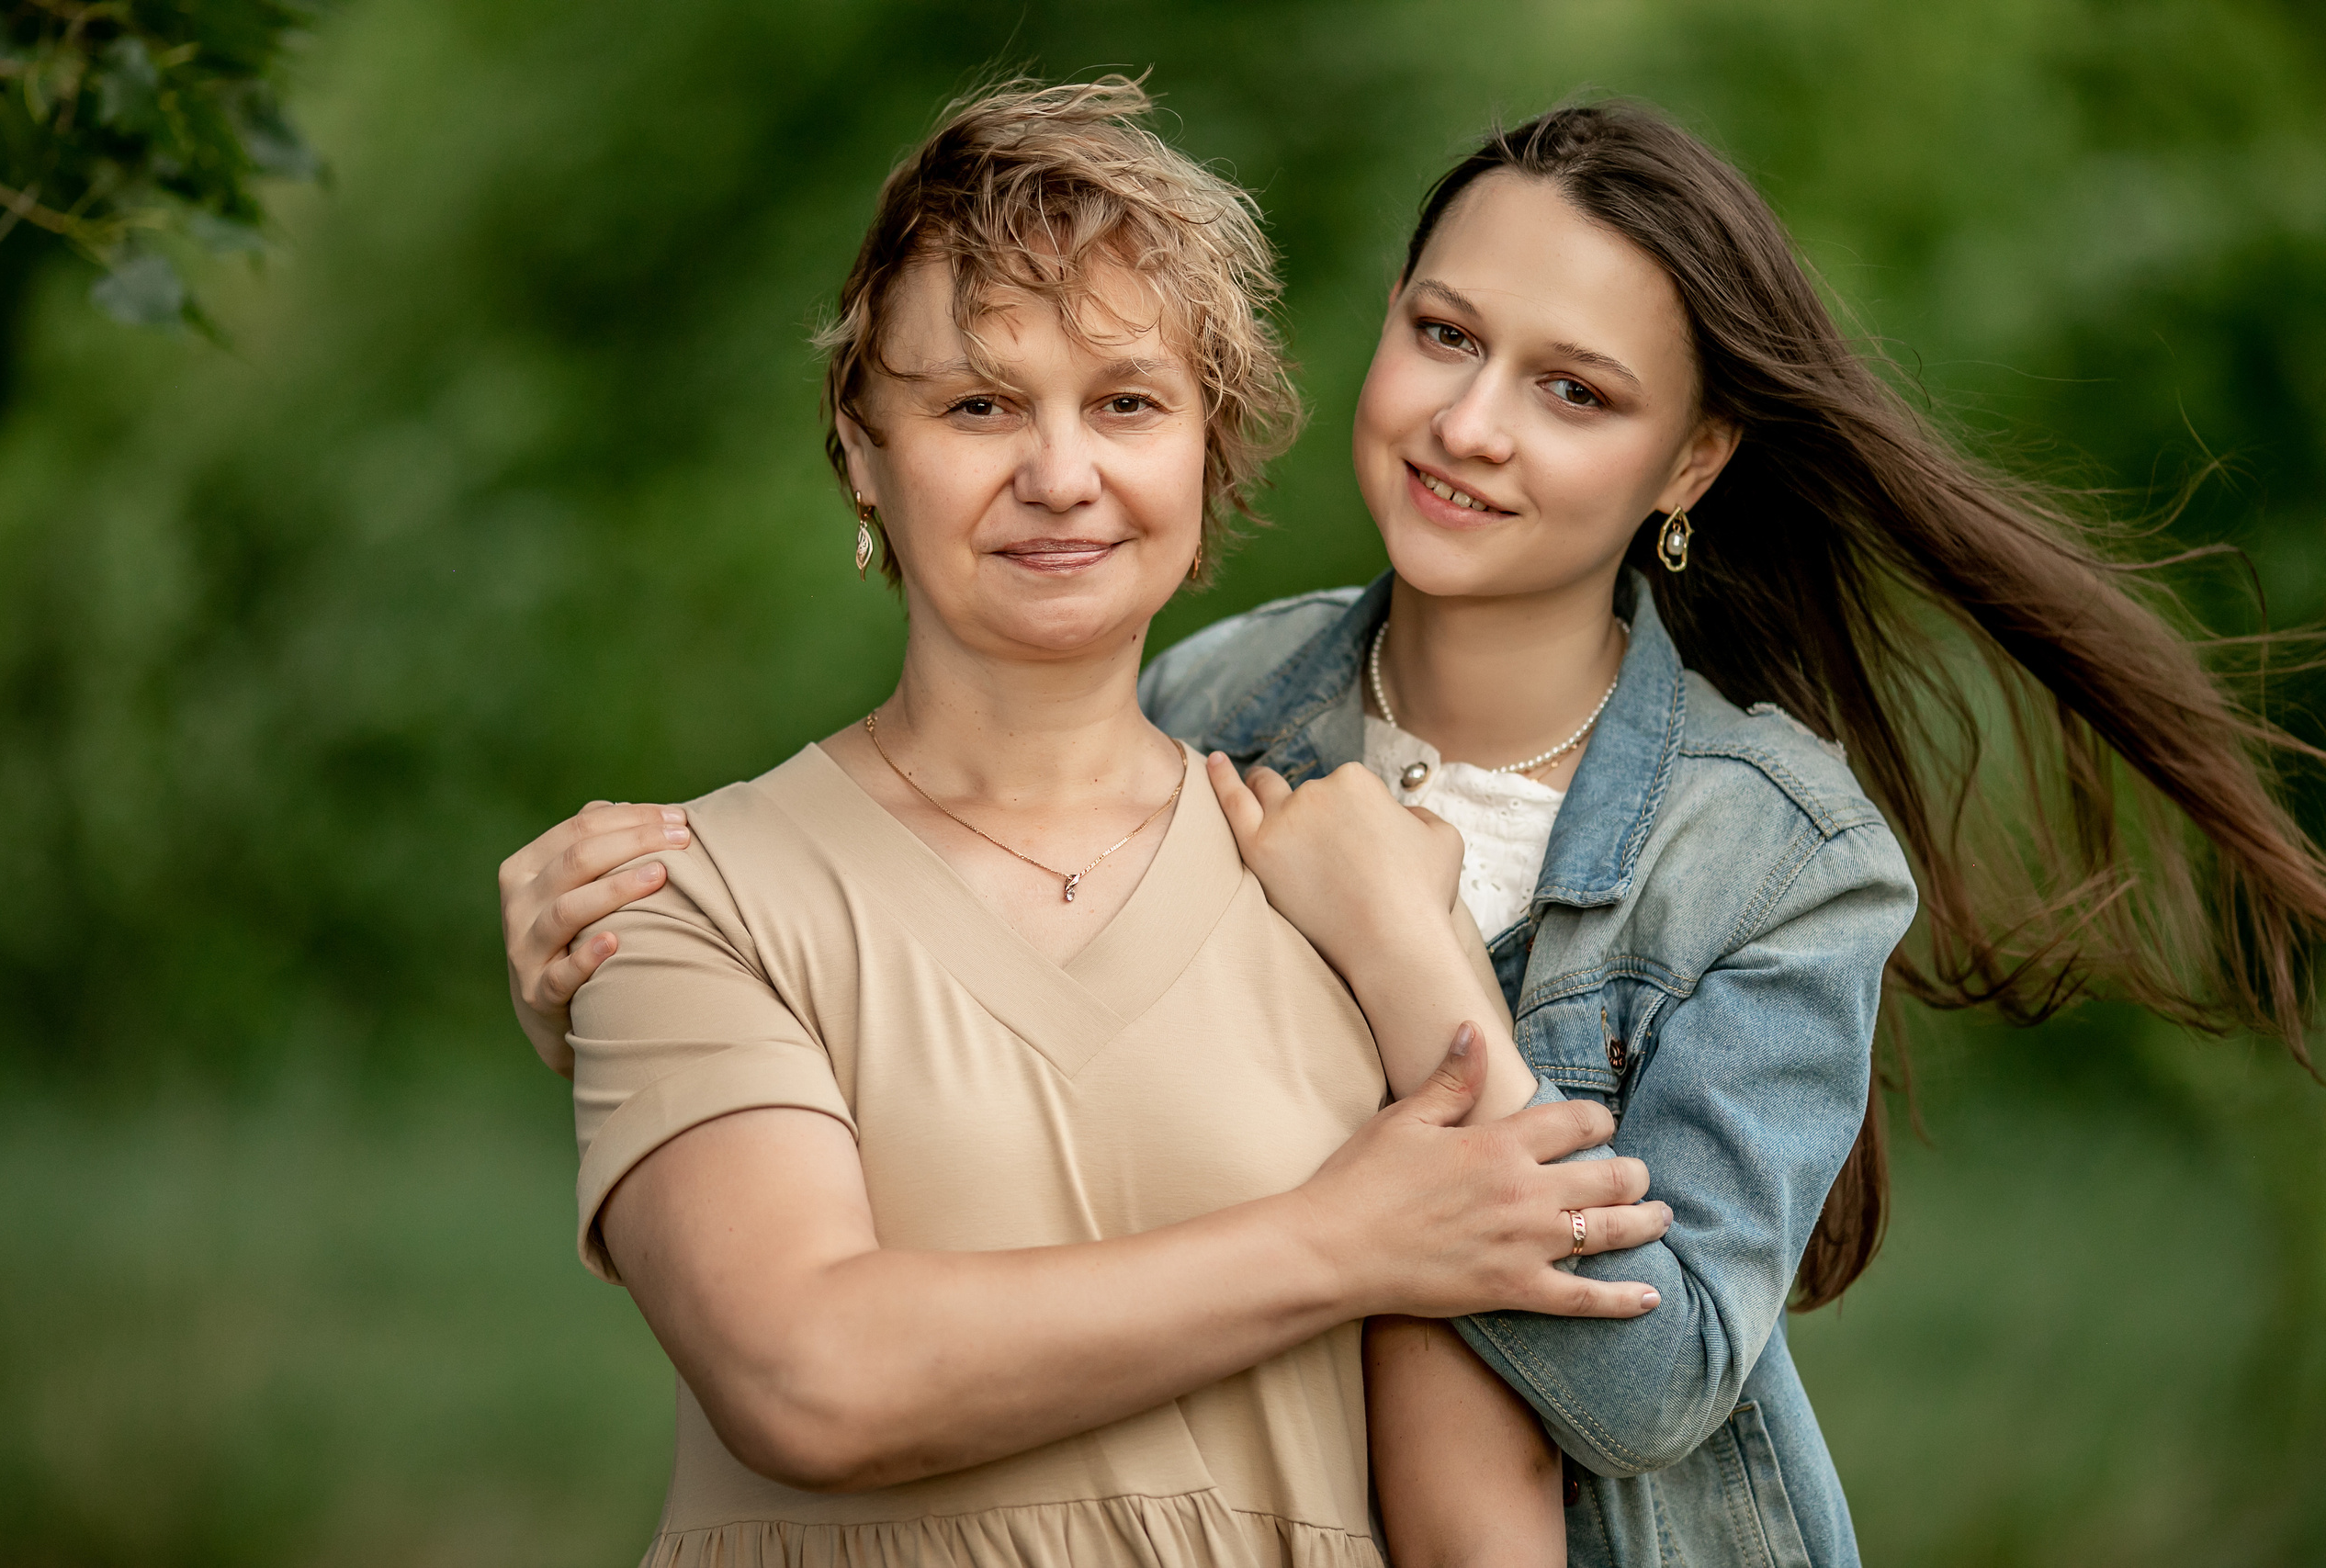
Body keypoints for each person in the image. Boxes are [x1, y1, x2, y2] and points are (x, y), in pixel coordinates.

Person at [505, 96, 2326, 1568]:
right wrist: (633, 960)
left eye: (1573, 389)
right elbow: (977, 919)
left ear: (1686, 463)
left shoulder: (1767, 849)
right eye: (1442, 334)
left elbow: (1644, 1378)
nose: (1467, 425)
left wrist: (1404, 947)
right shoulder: (1223, 699)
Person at [525, 80, 1674, 1568]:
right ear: (865, 452)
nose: (1059, 477)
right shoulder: (689, 895)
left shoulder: (1343, 899)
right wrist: (1335, 1243)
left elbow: (1479, 1516)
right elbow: (807, 1378)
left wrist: (1413, 989)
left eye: (1127, 404)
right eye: (978, 406)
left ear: (1209, 454)